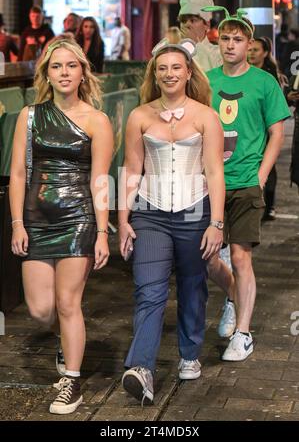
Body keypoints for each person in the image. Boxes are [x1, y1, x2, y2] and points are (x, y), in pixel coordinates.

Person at [9, 35, 114, 414]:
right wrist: (18, 223)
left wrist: (103, 232)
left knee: (69, 303)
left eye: (71, 65)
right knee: (40, 310)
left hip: (78, 219)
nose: (64, 72)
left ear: (83, 72)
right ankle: (63, 342)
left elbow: (101, 179)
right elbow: (18, 173)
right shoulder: (30, 115)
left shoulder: (98, 120)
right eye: (57, 66)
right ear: (47, 74)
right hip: (36, 220)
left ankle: (72, 381)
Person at [118, 38, 225, 404]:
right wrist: (123, 218)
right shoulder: (139, 116)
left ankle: (190, 353)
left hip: (196, 211)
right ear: (154, 74)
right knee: (149, 290)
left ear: (188, 72)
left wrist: (217, 223)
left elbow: (214, 171)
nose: (169, 73)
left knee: (193, 287)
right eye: (162, 68)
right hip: (150, 213)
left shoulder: (206, 116)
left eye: (176, 67)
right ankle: (141, 368)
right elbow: (132, 170)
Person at [202, 5, 290, 361]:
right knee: (206, 258)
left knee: (240, 256)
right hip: (209, 182)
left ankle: (243, 332)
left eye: (237, 39)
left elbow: (277, 132)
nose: (230, 45)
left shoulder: (264, 82)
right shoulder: (205, 80)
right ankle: (233, 295)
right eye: (225, 38)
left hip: (246, 182)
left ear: (249, 44)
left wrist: (262, 174)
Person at [248, 37, 287, 221]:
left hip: (265, 129)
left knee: (268, 168)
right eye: (251, 49)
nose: (252, 53)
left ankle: (268, 204)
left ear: (265, 52)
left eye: (256, 50)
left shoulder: (269, 77)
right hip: (248, 130)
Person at [178, 0, 222, 71]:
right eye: (183, 21)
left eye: (193, 20)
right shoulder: (171, 49)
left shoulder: (217, 53)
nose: (187, 24)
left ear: (207, 25)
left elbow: (209, 78)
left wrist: (196, 44)